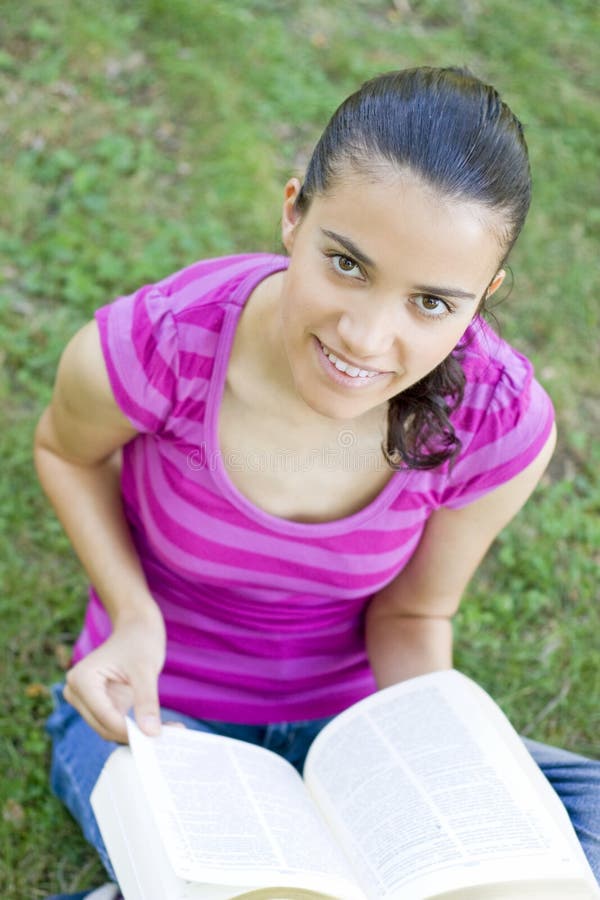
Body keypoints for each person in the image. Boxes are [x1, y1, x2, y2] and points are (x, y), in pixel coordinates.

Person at [35, 66, 599, 900]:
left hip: (357, 737)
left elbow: (412, 615)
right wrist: (131, 614)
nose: (368, 337)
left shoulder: (495, 418)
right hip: (159, 717)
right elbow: (65, 451)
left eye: (433, 304)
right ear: (294, 212)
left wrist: (430, 772)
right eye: (346, 263)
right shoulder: (168, 344)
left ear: (487, 294)